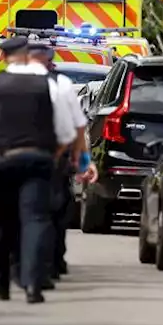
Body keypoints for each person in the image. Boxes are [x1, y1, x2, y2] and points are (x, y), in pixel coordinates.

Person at [0, 36, 79, 304]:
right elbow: (65, 134)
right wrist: (51, 157)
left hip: (1, 164)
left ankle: (3, 280)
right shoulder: (50, 87)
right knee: (35, 220)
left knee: (3, 222)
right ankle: (33, 284)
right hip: (38, 162)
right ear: (27, 55)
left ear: (3, 57)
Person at [27, 41, 97, 285]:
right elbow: (78, 128)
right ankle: (52, 261)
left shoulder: (0, 83)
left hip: (14, 161)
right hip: (52, 161)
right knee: (53, 212)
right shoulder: (61, 85)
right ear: (49, 61)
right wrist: (84, 162)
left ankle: (20, 265)